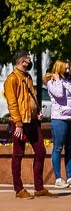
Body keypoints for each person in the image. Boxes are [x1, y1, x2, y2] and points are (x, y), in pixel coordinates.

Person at [3, 50, 50, 199]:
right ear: (22, 61)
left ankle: (39, 187)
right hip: (20, 123)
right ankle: (19, 189)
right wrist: (18, 123)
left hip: (32, 120)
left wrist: (36, 113)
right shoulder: (12, 79)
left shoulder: (28, 77)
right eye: (28, 60)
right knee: (18, 154)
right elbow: (12, 103)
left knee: (41, 151)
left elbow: (30, 98)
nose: (30, 63)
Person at [46, 60, 71, 188]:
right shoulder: (51, 82)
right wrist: (58, 81)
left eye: (69, 68)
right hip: (59, 119)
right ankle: (58, 178)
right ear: (58, 69)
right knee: (58, 147)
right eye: (65, 69)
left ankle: (70, 177)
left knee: (70, 148)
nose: (68, 71)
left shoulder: (69, 81)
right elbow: (59, 94)